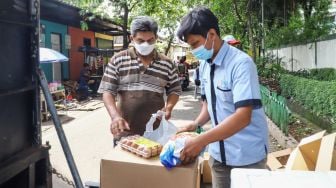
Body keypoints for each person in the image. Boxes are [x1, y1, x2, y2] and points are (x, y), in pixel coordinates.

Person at [177, 7, 268, 188]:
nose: (193, 50)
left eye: (195, 44)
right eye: (190, 46)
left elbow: (243, 116)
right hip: (219, 155)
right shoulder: (204, 65)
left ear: (212, 34)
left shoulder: (241, 64)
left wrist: (200, 141)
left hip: (247, 156)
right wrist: (196, 124)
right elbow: (209, 104)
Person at [98, 16, 181, 145]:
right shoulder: (118, 60)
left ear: (156, 38)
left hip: (157, 133)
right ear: (132, 39)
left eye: (150, 40)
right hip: (125, 132)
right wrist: (115, 116)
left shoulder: (167, 64)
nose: (146, 44)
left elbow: (175, 90)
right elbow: (107, 91)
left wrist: (169, 107)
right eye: (141, 40)